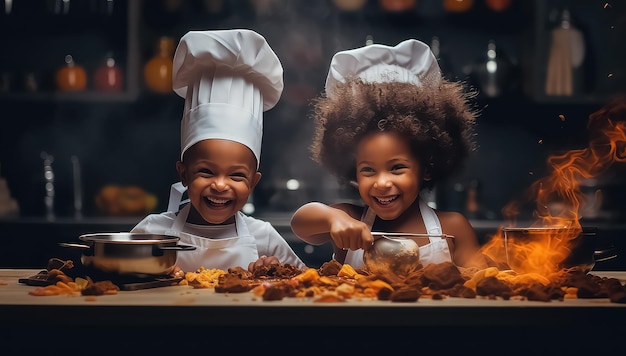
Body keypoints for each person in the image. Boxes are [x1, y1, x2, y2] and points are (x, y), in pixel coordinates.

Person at [290, 39, 488, 269]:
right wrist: (334, 219)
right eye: (368, 170)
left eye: (396, 168)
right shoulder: (350, 218)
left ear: (427, 167)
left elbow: (480, 288)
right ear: (353, 171)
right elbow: (300, 223)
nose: (382, 183)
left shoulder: (453, 228)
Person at [132, 29, 306, 275]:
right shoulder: (151, 233)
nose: (220, 185)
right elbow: (116, 288)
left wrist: (275, 274)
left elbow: (307, 289)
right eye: (206, 171)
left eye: (236, 175)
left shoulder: (265, 239)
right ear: (183, 174)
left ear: (253, 182)